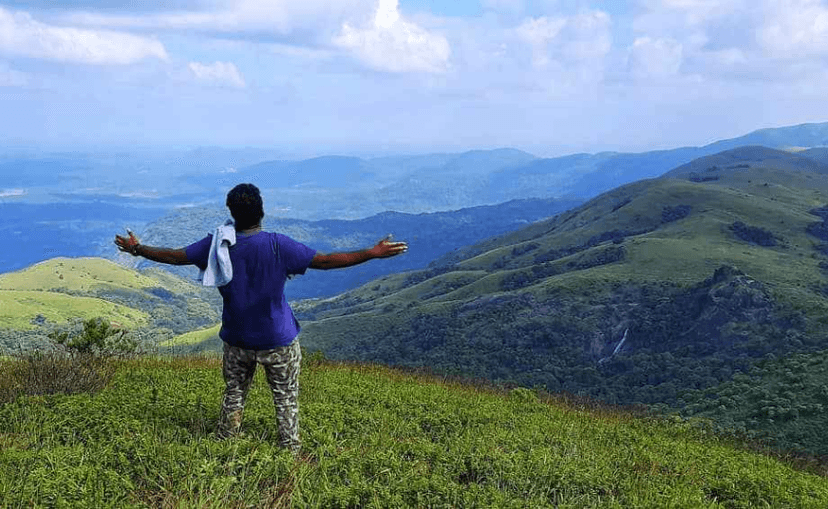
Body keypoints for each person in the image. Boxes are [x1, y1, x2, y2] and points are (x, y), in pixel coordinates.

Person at [114, 183, 407, 452]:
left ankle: (225, 444)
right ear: (262, 211)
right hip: (278, 339)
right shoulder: (278, 245)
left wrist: (137, 249)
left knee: (234, 393)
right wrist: (372, 252)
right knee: (285, 398)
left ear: (231, 212)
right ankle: (289, 450)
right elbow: (327, 261)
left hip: (237, 338)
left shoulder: (218, 244)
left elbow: (175, 256)